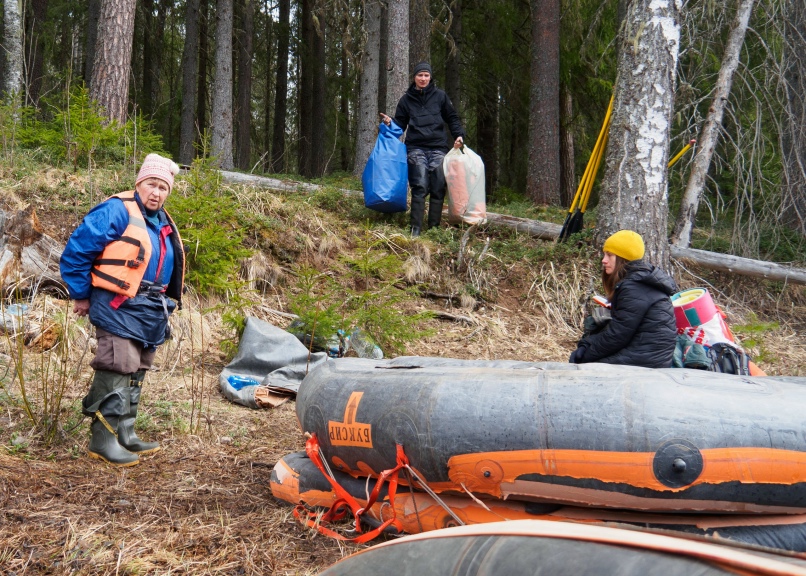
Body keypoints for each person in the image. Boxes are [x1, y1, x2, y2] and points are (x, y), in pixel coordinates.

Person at [60, 153, 185, 466]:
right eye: (151, 185)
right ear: (139, 183)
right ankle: (102, 440)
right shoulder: (117, 209)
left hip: (150, 308)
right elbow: (76, 251)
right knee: (119, 364)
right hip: (116, 304)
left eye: (163, 187)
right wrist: (81, 294)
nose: (156, 192)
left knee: (139, 367)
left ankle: (125, 433)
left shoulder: (162, 220)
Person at [569, 230, 678, 369]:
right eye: (604, 254)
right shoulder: (639, 280)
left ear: (623, 258)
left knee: (582, 365)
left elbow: (618, 335)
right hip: (646, 354)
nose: (604, 260)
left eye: (609, 255)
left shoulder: (633, 286)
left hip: (646, 360)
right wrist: (589, 344)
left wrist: (585, 354)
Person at [380, 61, 465, 238]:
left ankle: (433, 229)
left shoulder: (440, 96)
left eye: (426, 75)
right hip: (415, 148)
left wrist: (459, 136)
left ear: (430, 77)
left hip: (438, 148)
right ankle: (415, 229)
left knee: (438, 186)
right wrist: (390, 123)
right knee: (420, 186)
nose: (423, 78)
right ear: (414, 77)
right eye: (420, 75)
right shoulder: (406, 100)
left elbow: (452, 118)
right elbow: (399, 125)